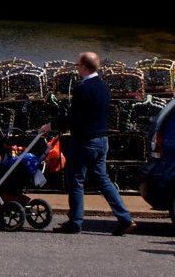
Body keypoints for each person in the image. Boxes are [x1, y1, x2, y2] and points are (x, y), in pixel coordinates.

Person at [40, 51, 136, 235]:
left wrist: (51, 125)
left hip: (85, 141)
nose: (76, 68)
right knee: (103, 179)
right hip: (102, 140)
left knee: (75, 179)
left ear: (84, 67)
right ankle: (125, 218)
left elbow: (75, 117)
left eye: (77, 65)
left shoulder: (82, 88)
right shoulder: (104, 87)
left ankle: (75, 222)